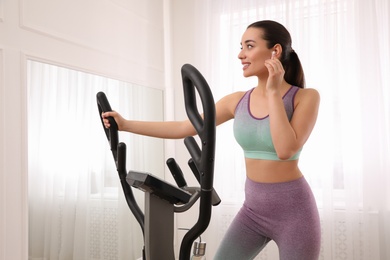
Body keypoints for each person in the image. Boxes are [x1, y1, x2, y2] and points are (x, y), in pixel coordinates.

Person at [102, 20, 321, 260]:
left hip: (294, 213)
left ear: (275, 51)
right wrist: (126, 125)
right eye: (241, 46)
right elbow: (185, 126)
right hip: (253, 212)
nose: (240, 54)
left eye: (249, 46)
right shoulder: (237, 101)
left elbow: (285, 150)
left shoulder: (305, 98)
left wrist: (272, 93)